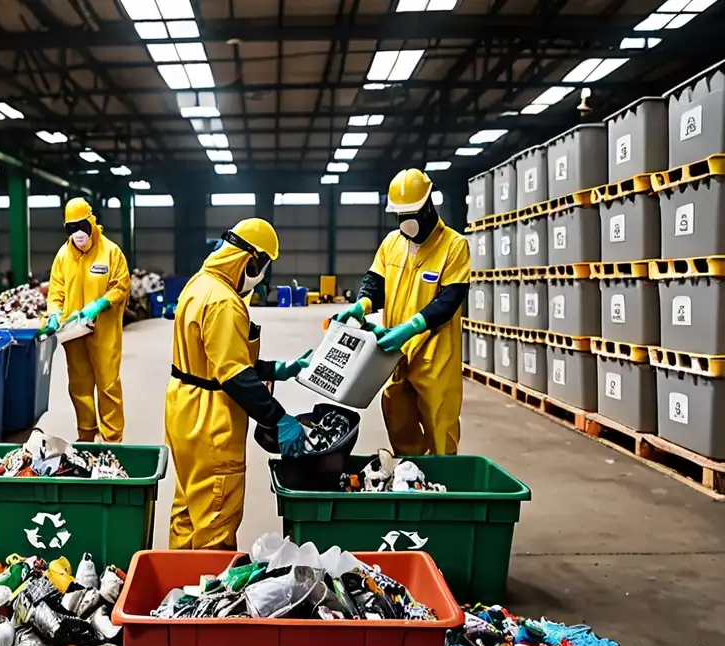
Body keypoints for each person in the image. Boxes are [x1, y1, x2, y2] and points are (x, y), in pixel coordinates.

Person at [165, 219, 312, 550]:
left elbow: (216, 356)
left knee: (189, 506)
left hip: (183, 405)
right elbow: (233, 375)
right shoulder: (225, 302)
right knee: (216, 514)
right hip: (211, 419)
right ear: (250, 260)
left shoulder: (199, 284)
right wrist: (279, 418)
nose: (260, 278)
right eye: (262, 267)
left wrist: (278, 369)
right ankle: (207, 593)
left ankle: (178, 581)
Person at [336, 168, 469, 455]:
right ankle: (411, 477)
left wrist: (410, 328)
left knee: (439, 425)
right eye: (401, 215)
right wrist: (361, 306)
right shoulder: (391, 244)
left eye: (413, 213)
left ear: (428, 205)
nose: (407, 222)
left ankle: (443, 489)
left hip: (434, 356)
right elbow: (375, 282)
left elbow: (450, 299)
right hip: (396, 355)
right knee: (397, 417)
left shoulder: (454, 246)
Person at [41, 198, 130, 443]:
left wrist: (101, 304)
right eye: (71, 228)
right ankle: (86, 434)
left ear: (92, 222)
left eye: (82, 226)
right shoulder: (63, 255)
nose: (78, 233)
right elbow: (55, 292)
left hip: (104, 331)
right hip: (73, 333)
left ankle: (113, 439)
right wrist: (54, 314)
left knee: (108, 384)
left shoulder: (110, 252)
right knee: (79, 386)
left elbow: (121, 284)